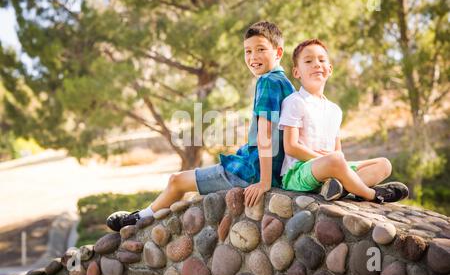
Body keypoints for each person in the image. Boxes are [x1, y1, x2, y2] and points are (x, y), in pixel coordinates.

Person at [106, 21, 295, 231]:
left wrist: (264, 182)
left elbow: (266, 133)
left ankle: (137, 220)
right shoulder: (285, 83)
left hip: (251, 171)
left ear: (278, 52)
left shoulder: (267, 81)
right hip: (266, 168)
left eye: (261, 49)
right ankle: (141, 218)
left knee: (176, 181)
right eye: (248, 51)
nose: (253, 57)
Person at [279, 38, 409, 203]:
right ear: (297, 72)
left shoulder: (334, 110)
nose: (317, 64)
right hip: (299, 171)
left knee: (384, 164)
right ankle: (372, 194)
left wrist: (337, 162)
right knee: (335, 160)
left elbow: (337, 150)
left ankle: (338, 188)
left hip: (332, 169)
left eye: (321, 60)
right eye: (308, 61)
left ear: (330, 69)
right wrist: (322, 159)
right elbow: (291, 147)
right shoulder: (295, 101)